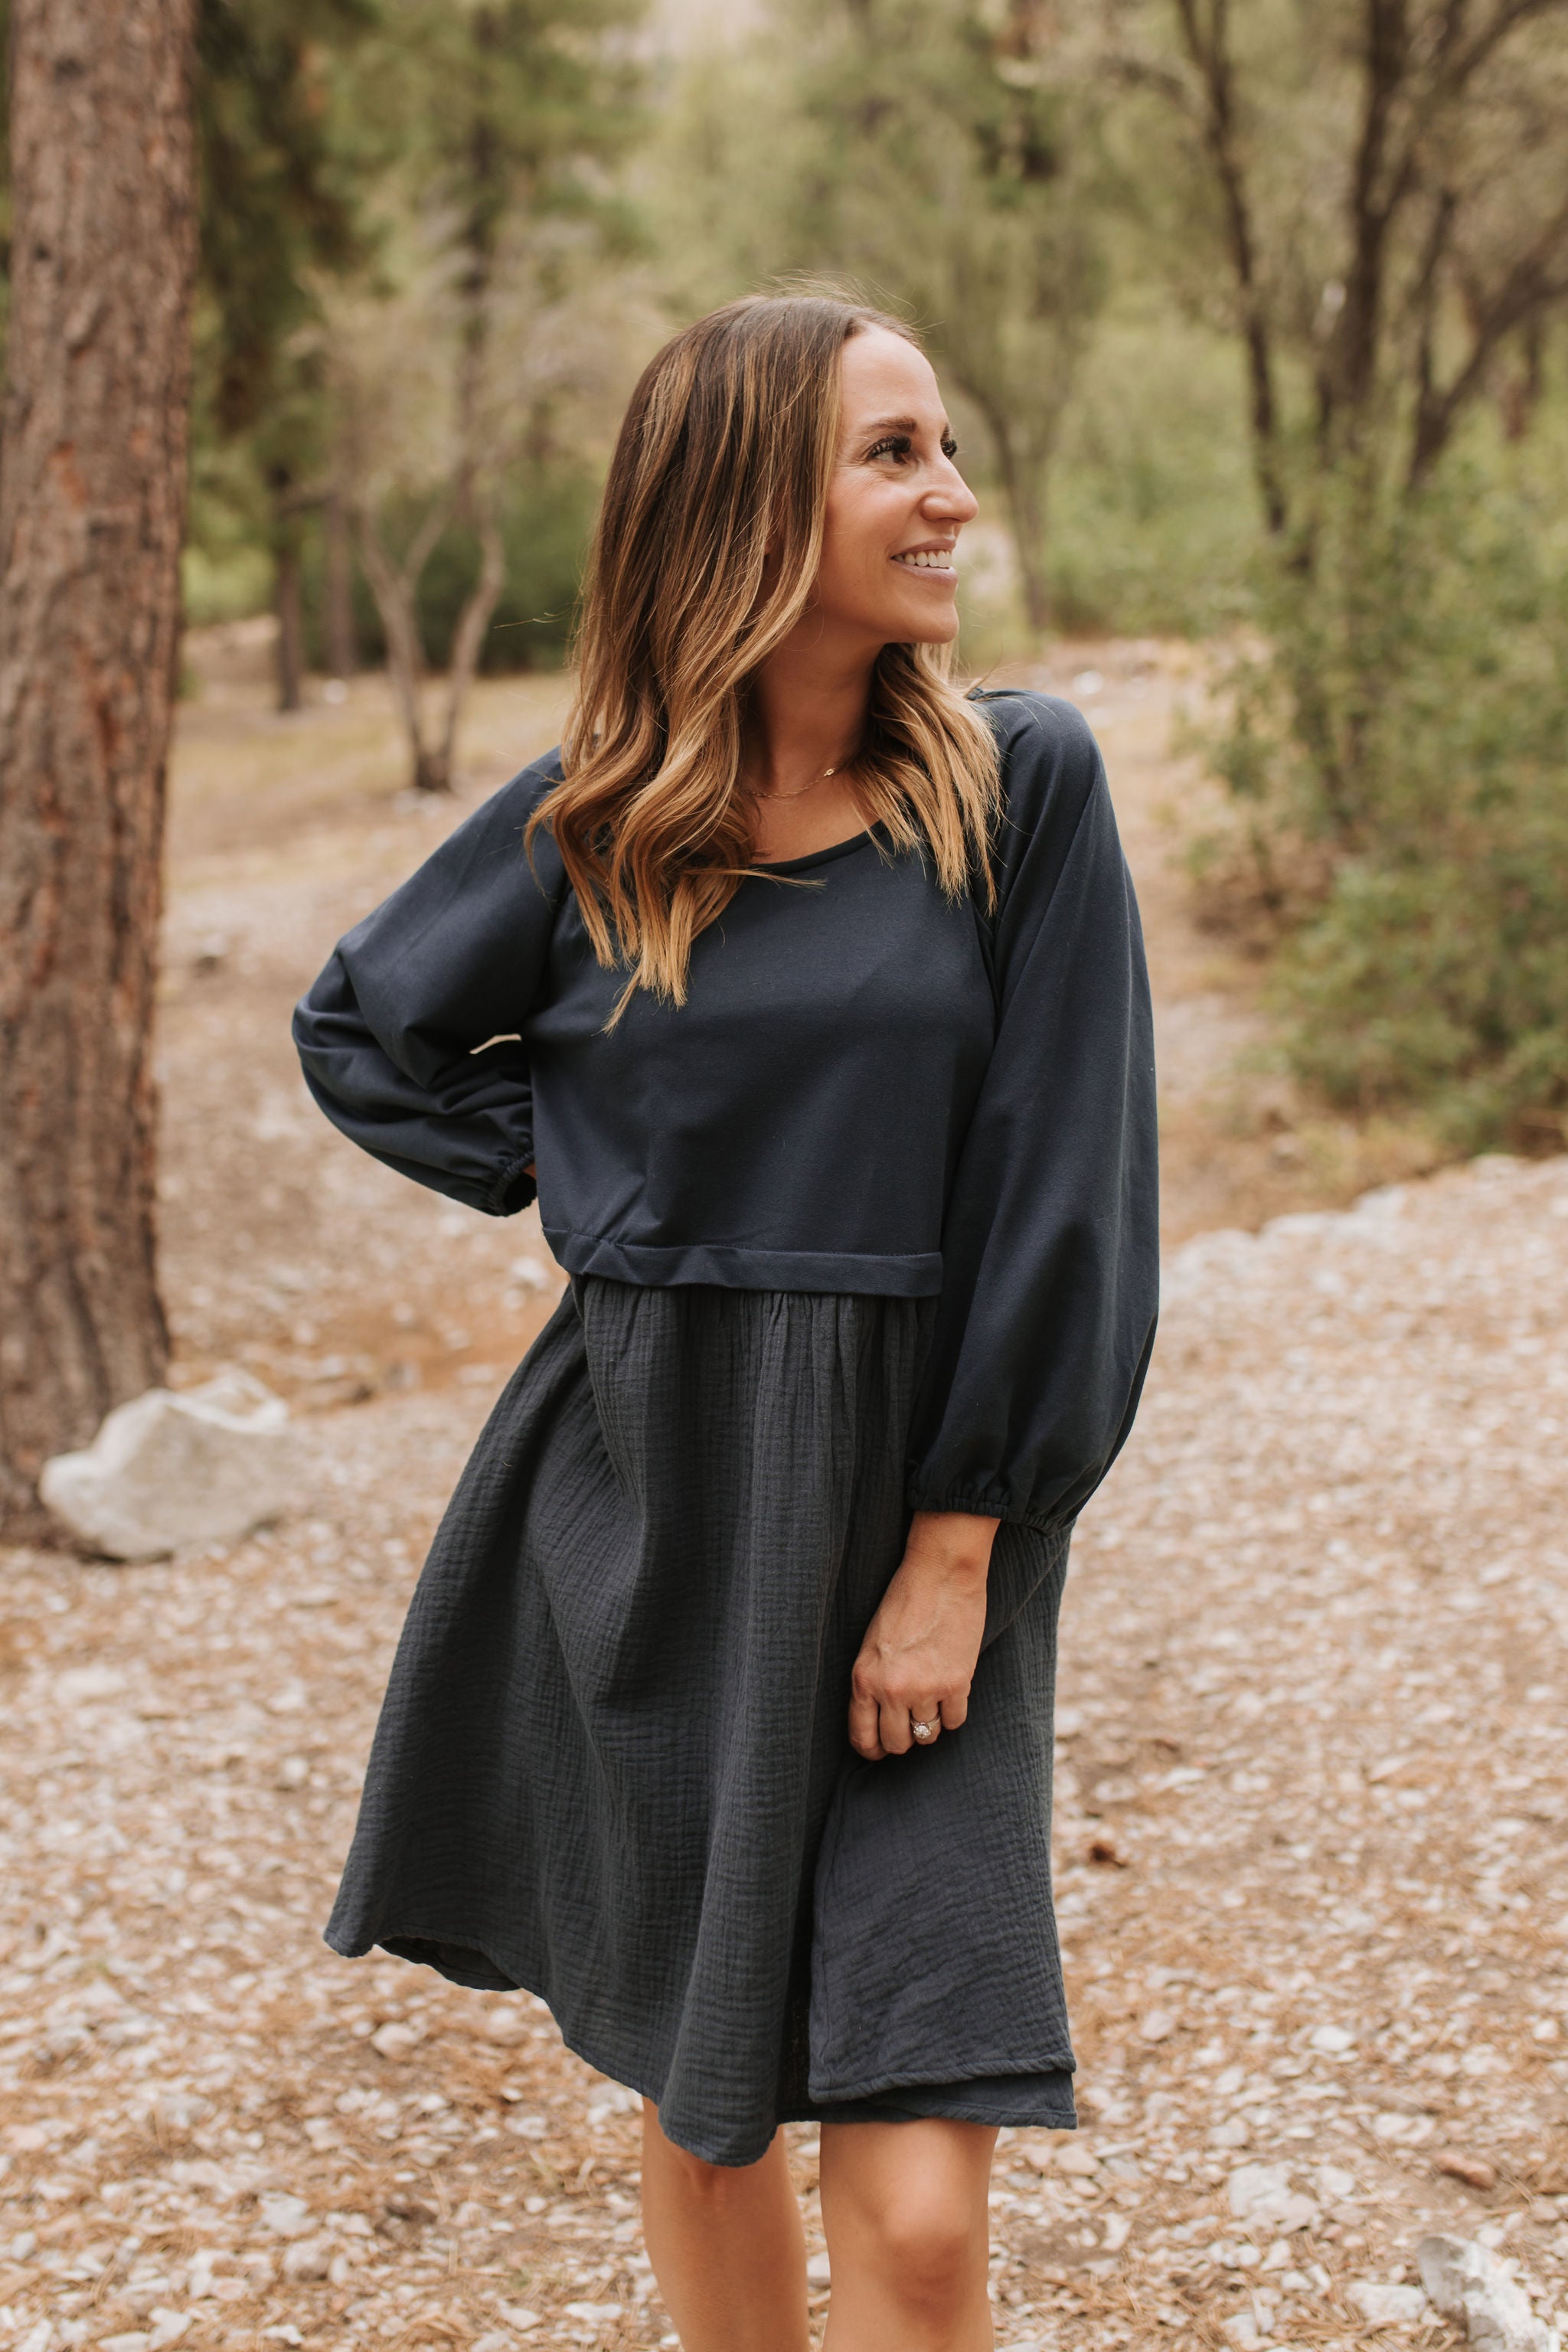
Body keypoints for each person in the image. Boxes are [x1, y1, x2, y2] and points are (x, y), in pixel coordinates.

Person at [292, 289, 1158, 2352]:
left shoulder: (1017, 789)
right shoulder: (597, 824)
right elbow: (361, 1032)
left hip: (921, 1519)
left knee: (921, 2218)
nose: (952, 496)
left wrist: (963, 1545)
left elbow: (1070, 1188)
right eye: (894, 454)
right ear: (751, 501)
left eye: (946, 448)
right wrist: (600, 1175)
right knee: (707, 2115)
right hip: (651, 1505)